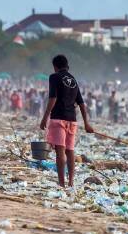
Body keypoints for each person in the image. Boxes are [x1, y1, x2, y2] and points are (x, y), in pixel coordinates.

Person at [40, 54, 94, 188]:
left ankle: (62, 183)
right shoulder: (74, 80)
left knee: (60, 152)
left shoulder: (54, 77)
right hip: (72, 120)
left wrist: (45, 117)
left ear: (55, 66)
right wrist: (86, 123)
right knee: (70, 151)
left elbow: (53, 98)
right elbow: (81, 103)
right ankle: (71, 182)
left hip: (58, 118)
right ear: (67, 66)